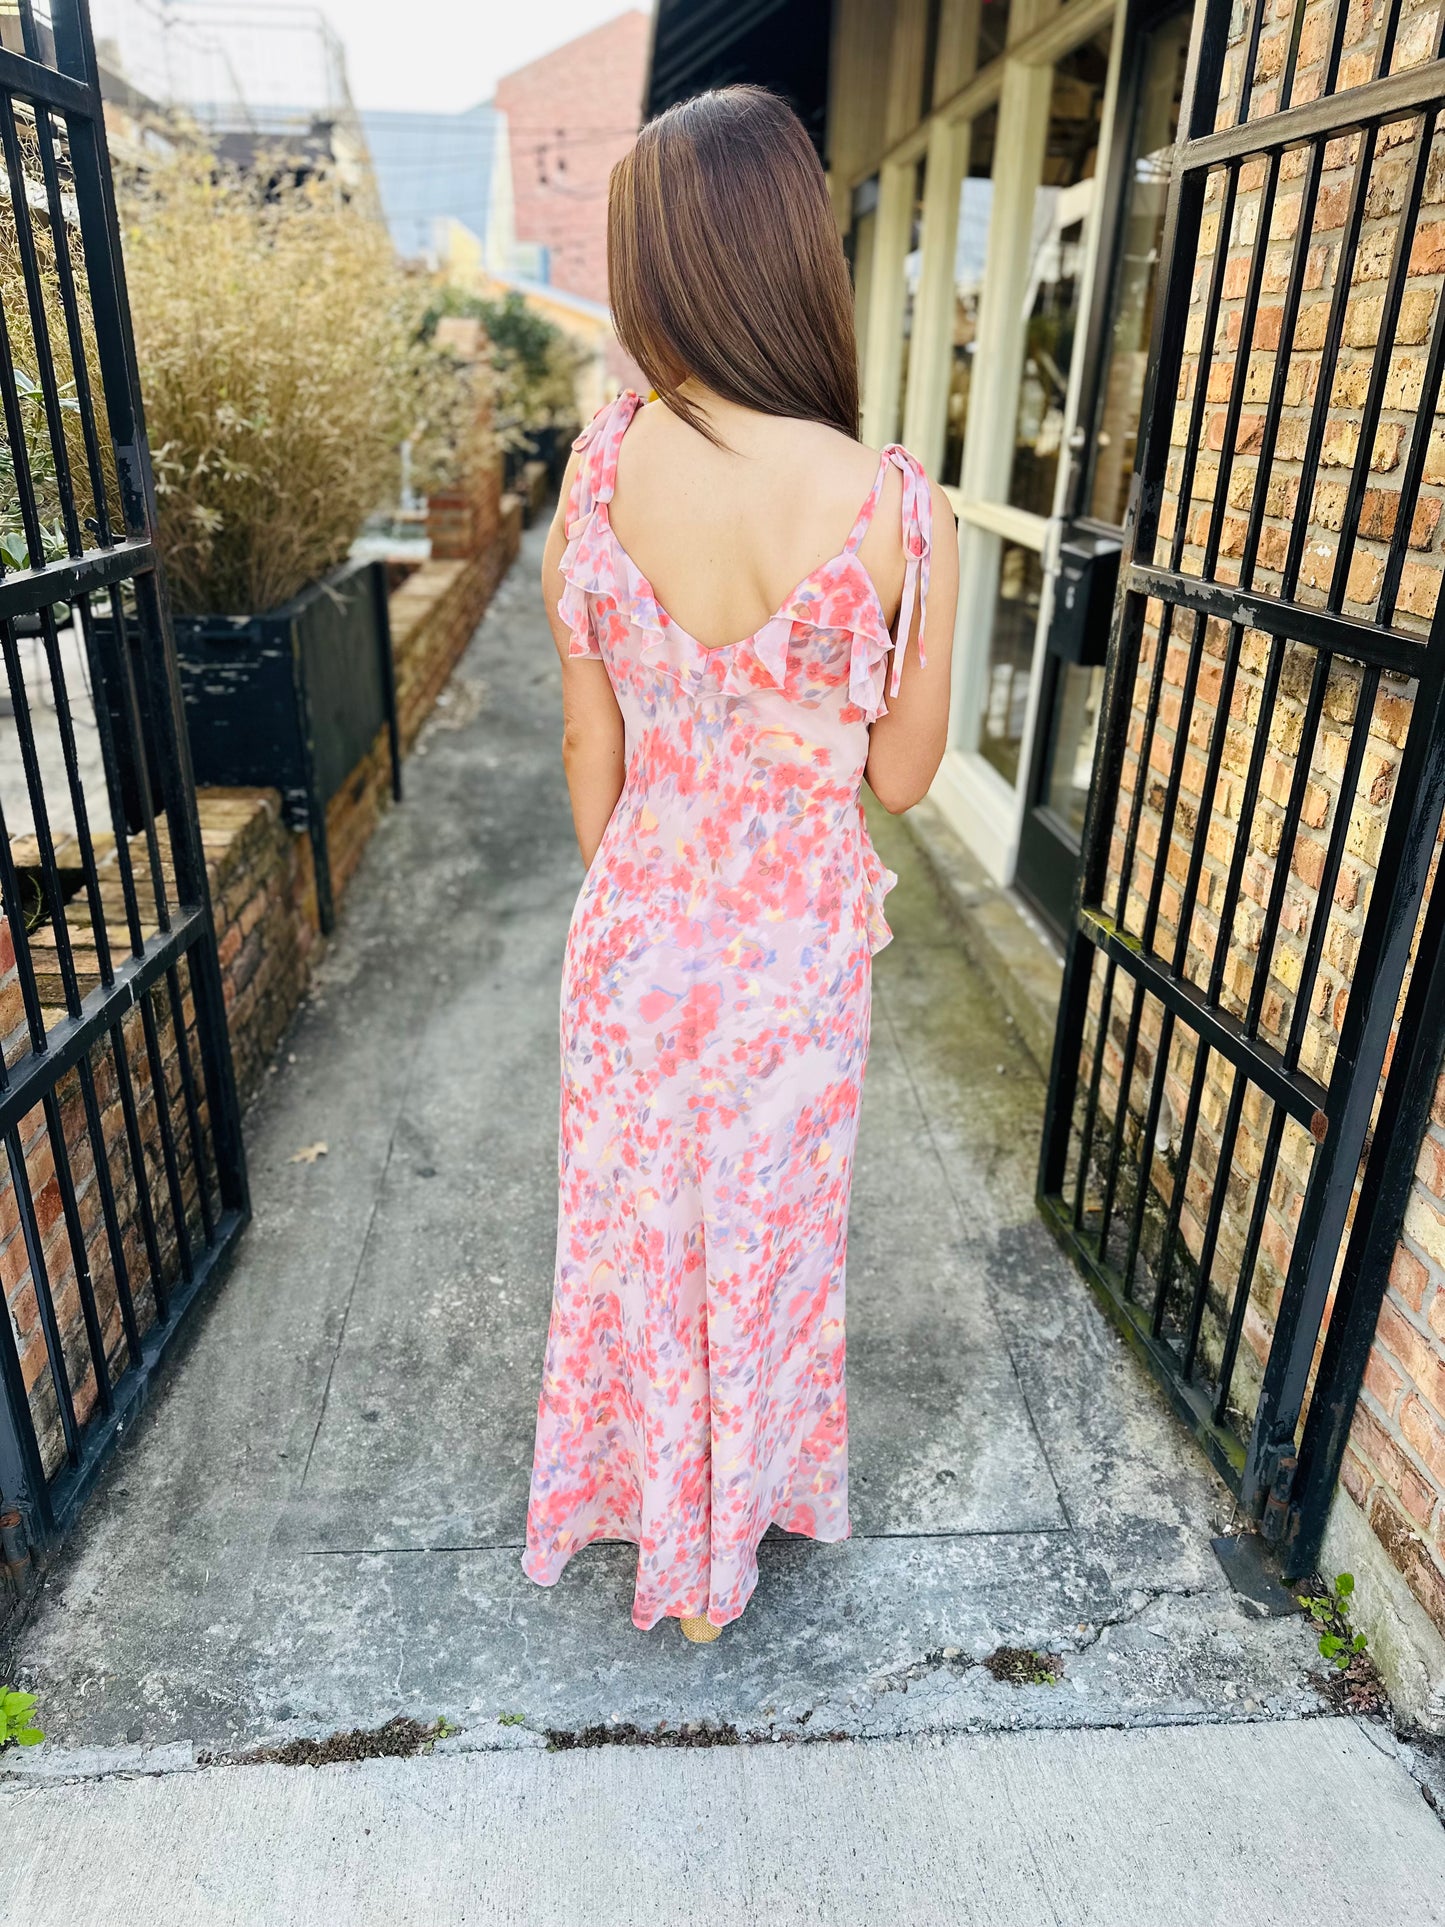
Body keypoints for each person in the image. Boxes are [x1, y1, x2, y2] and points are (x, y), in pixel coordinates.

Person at [521, 84, 958, 1644]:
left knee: (638, 1233)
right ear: (792, 254)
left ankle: (654, 1513)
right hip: (794, 958)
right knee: (770, 1230)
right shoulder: (892, 502)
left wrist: (649, 891)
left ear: (656, 270)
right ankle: (740, 1519)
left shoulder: (599, 470)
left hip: (637, 931)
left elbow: (589, 747)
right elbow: (900, 779)